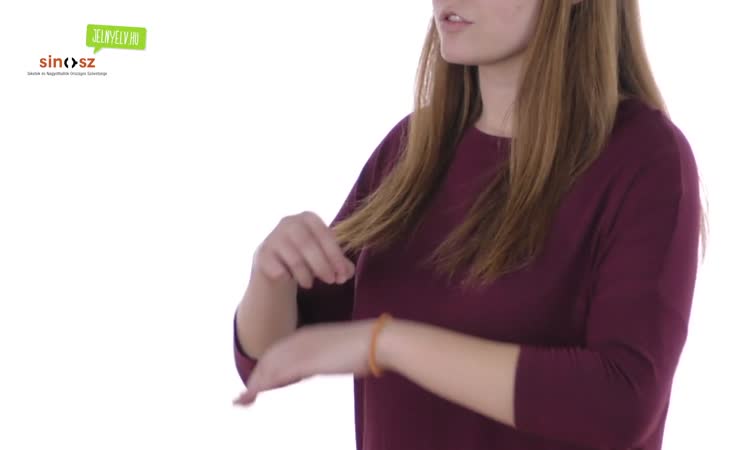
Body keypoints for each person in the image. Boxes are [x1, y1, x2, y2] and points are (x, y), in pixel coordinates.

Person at [231, 1, 706, 449]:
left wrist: (390, 343)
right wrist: (272, 276)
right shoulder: (413, 151)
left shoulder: (644, 158)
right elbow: (275, 356)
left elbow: (621, 401)